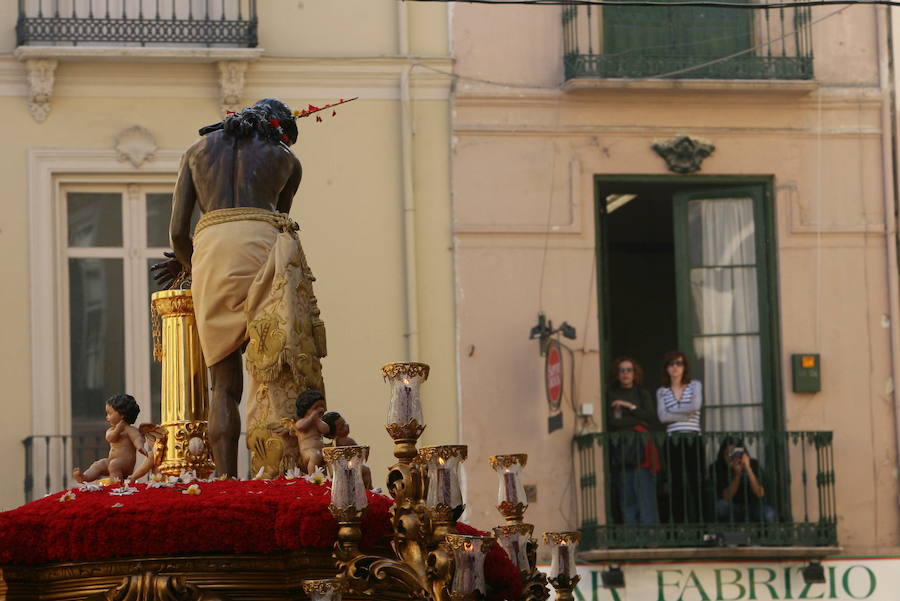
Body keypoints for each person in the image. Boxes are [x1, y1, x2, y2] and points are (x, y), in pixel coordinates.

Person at [152, 98, 326, 478]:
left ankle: (224, 477)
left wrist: (188, 262)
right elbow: (281, 217)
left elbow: (178, 232)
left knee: (224, 385)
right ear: (278, 129)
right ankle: (282, 472)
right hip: (265, 246)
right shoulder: (287, 161)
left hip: (211, 250)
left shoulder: (196, 152)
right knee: (279, 370)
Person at [606, 357, 662, 525]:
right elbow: (614, 422)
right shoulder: (611, 393)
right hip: (621, 452)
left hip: (641, 450)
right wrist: (638, 420)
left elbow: (650, 417)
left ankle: (650, 538)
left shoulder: (641, 394)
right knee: (627, 498)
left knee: (645, 495)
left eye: (629, 370)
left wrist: (628, 407)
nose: (625, 373)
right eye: (622, 370)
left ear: (634, 373)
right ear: (617, 373)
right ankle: (632, 538)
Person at [656, 351, 703, 523]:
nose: (675, 367)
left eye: (679, 363)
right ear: (666, 368)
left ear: (685, 367)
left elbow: (696, 405)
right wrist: (686, 413)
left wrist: (672, 413)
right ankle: (678, 524)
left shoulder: (695, 385)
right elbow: (662, 417)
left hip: (692, 438)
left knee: (695, 481)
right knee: (675, 483)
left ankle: (700, 524)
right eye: (671, 363)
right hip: (673, 440)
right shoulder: (662, 391)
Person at [73, 394, 145, 483]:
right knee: (99, 464)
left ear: (122, 415)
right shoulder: (111, 430)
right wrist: (118, 429)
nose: (107, 417)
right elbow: (111, 438)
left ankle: (117, 485)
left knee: (114, 465)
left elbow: (137, 438)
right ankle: (85, 477)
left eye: (110, 413)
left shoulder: (130, 430)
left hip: (125, 464)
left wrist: (140, 446)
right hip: (111, 461)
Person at [709, 438, 776, 523]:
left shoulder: (753, 464)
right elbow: (726, 497)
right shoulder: (717, 467)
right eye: (727, 454)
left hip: (753, 506)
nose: (731, 457)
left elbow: (759, 493)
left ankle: (765, 536)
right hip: (731, 506)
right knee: (721, 507)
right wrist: (737, 476)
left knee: (769, 513)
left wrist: (748, 469)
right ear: (722, 454)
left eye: (734, 454)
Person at [322, 410, 373, 489]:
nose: (346, 427)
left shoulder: (346, 441)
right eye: (341, 428)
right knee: (365, 470)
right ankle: (368, 489)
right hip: (342, 470)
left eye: (345, 423)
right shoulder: (342, 442)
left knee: (364, 469)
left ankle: (367, 488)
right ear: (332, 434)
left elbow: (358, 454)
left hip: (349, 467)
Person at [293, 390, 329, 475]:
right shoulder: (302, 422)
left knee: (332, 457)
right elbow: (300, 427)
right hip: (307, 453)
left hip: (321, 451)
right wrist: (312, 417)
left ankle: (332, 477)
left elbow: (326, 429)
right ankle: (312, 477)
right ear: (306, 409)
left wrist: (317, 420)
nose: (320, 409)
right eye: (316, 407)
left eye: (322, 406)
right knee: (315, 456)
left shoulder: (318, 422)